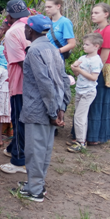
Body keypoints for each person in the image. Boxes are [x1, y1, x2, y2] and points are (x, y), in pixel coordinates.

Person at [16, 14, 71, 202]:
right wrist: (62, 106)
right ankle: (36, 183)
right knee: (45, 148)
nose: (24, 30)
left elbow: (44, 83)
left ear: (30, 30)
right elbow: (64, 78)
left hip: (39, 108)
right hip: (53, 106)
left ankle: (36, 190)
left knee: (35, 150)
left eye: (25, 28)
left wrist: (52, 110)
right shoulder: (53, 49)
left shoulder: (34, 51)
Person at [80, 3, 110, 145]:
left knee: (99, 102)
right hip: (96, 69)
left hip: (102, 70)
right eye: (92, 13)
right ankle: (90, 134)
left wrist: (91, 73)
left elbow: (103, 57)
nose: (93, 15)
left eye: (96, 13)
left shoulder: (109, 30)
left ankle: (95, 136)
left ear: (106, 14)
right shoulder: (98, 30)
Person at [0, 0, 30, 175]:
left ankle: (19, 160)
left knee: (19, 119)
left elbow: (20, 62)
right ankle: (13, 147)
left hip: (21, 83)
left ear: (9, 15)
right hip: (34, 85)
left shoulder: (13, 33)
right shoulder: (36, 24)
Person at [68, 33, 104, 152]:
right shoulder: (83, 58)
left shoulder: (96, 61)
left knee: (79, 116)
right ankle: (80, 139)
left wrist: (78, 69)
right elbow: (76, 73)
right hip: (80, 89)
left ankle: (80, 142)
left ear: (96, 46)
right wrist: (74, 67)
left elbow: (94, 77)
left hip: (88, 91)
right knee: (79, 116)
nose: (84, 46)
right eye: (84, 44)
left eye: (87, 44)